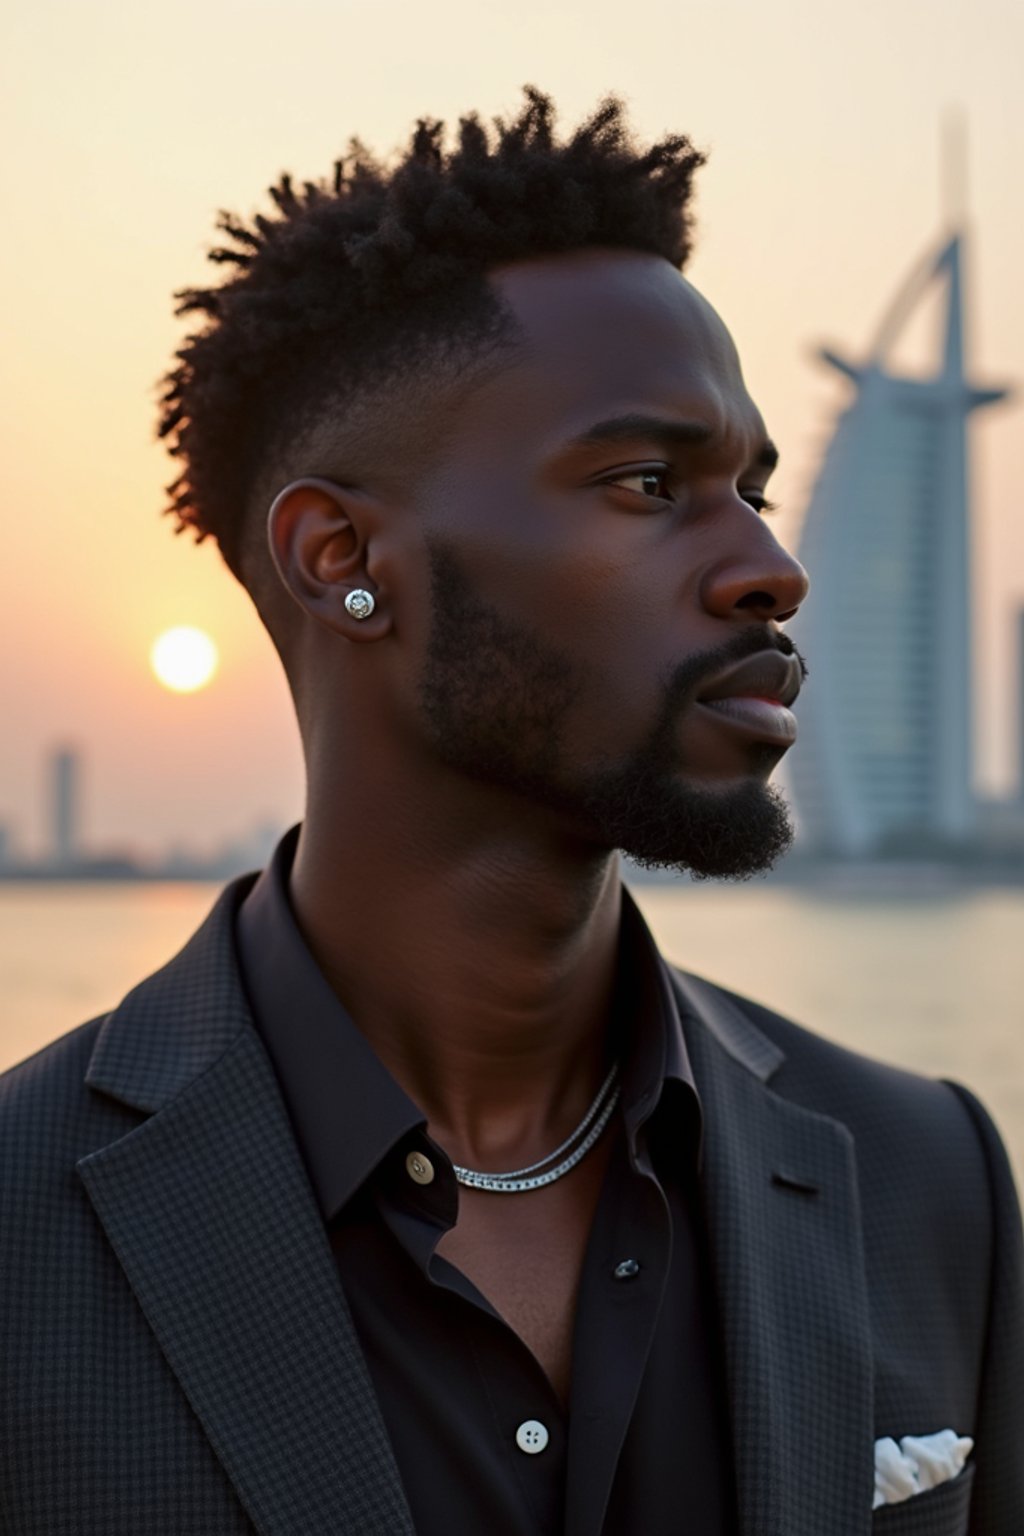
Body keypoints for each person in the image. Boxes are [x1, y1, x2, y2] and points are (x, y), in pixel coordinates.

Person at [1, 88, 1021, 1536]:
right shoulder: (20, 1233)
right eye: (649, 482)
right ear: (344, 557)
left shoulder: (929, 1180)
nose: (769, 567)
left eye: (755, 488)